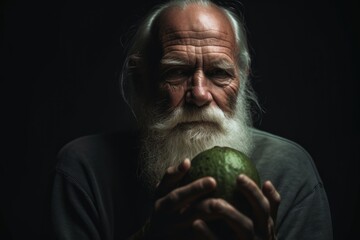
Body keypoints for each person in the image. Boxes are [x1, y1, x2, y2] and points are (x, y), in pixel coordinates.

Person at [50, 0, 333, 239]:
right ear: (142, 79)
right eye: (177, 72)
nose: (198, 94)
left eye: (219, 74)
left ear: (242, 80)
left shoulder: (290, 170)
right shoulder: (86, 167)